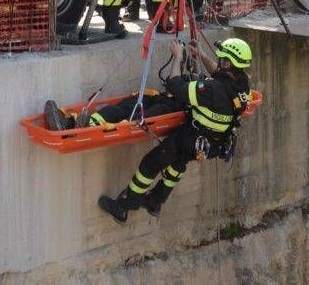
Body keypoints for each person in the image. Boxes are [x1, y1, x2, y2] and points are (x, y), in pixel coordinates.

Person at [82, 37, 255, 222]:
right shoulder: (243, 85)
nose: (219, 61)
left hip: (192, 138)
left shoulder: (211, 90)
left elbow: (175, 86)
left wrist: (177, 58)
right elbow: (220, 75)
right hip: (214, 144)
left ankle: (124, 206)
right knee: (177, 164)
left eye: (221, 59)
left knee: (151, 163)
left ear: (228, 62)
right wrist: (202, 56)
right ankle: (155, 201)